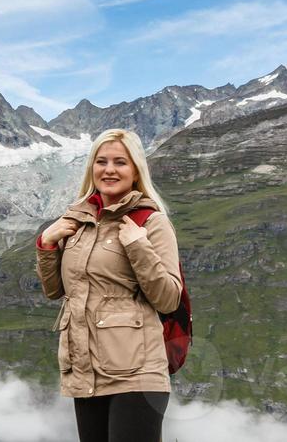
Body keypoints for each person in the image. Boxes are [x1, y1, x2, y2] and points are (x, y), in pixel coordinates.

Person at [35, 128, 182, 442]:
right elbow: (55, 291)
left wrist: (138, 247)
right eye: (101, 161)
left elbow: (169, 299)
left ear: (135, 171)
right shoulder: (77, 222)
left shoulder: (152, 222)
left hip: (137, 374)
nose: (109, 170)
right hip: (84, 371)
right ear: (92, 168)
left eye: (120, 162)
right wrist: (47, 243)